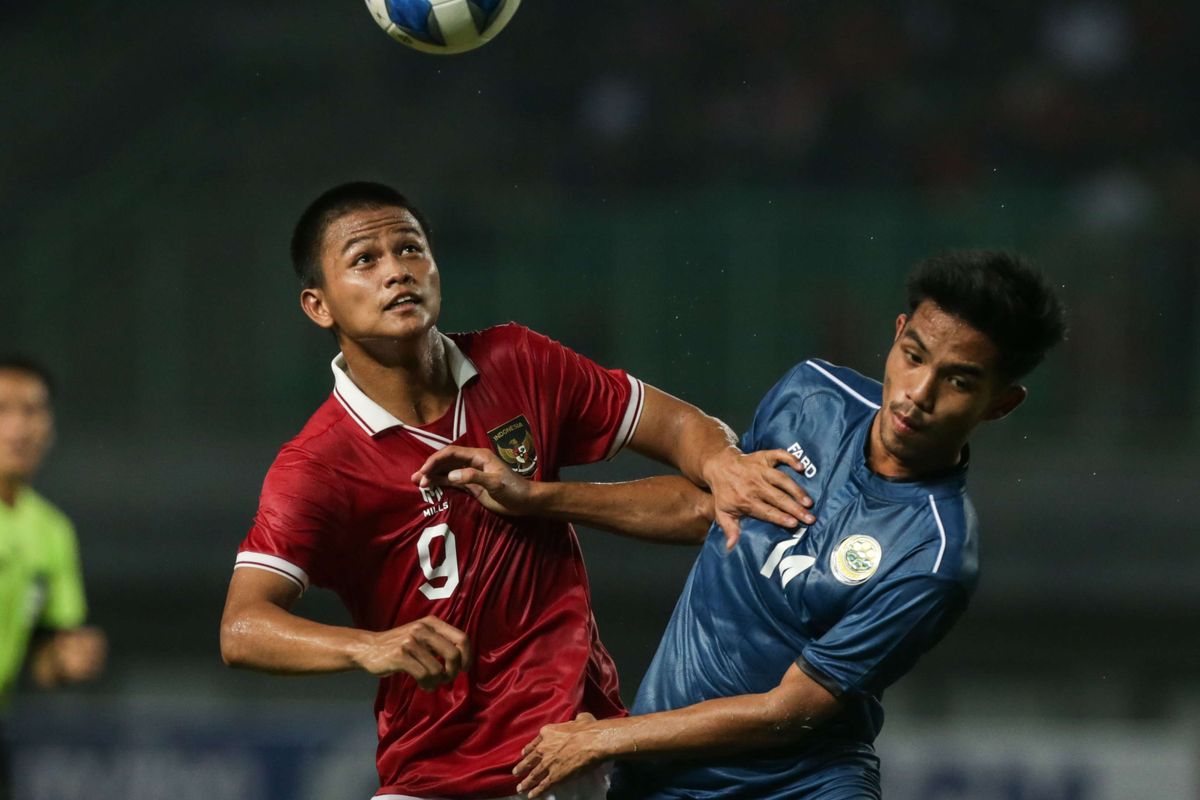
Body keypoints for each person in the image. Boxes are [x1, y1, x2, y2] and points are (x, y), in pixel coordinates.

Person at [218, 181, 815, 800]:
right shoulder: (318, 463)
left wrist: (720, 462)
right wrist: (371, 646)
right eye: (365, 260)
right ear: (319, 306)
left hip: (564, 758)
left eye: (411, 249)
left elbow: (684, 439)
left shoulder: (520, 362)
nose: (397, 271)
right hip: (429, 775)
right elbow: (242, 629)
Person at [417, 251, 1066, 799]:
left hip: (797, 787)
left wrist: (606, 735)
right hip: (662, 776)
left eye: (956, 381)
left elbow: (791, 713)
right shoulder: (813, 395)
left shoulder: (934, 556)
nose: (916, 394)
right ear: (896, 335)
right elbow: (709, 512)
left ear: (1000, 404)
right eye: (914, 355)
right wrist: (536, 498)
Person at [0, 357, 107, 797]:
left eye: (33, 410)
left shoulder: (52, 532)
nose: (19, 428)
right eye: (3, 410)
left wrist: (64, 661)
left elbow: (40, 660)